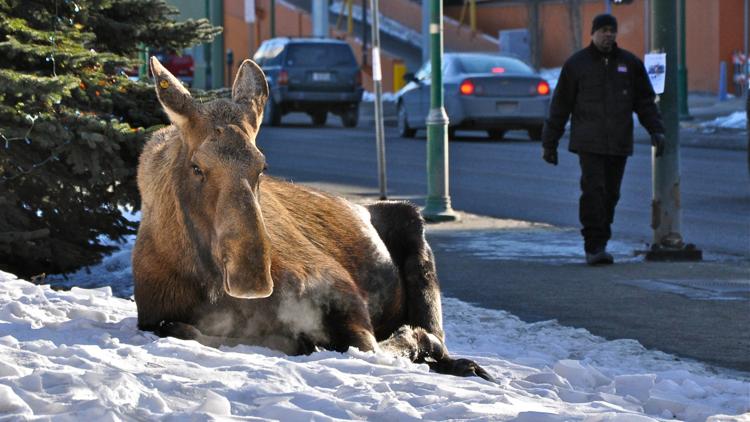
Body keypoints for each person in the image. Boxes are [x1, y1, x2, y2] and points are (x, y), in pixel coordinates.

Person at [541, 13, 666, 266]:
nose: (608, 35)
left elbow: (644, 102)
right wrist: (549, 143)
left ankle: (602, 239)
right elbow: (560, 106)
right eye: (603, 30)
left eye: (612, 30)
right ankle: (594, 245)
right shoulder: (577, 65)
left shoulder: (629, 64)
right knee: (593, 192)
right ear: (593, 33)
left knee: (611, 194)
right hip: (589, 142)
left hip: (619, 142)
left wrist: (656, 129)